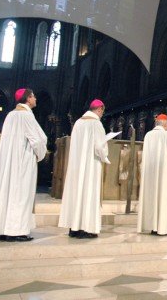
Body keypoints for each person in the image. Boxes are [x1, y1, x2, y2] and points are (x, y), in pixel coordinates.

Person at [0, 88, 47, 242]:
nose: (35, 99)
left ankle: (2, 228)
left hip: (8, 162)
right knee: (20, 194)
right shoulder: (26, 115)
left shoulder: (11, 115)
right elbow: (38, 140)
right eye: (33, 96)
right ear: (27, 98)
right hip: (22, 161)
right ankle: (16, 230)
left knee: (6, 192)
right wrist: (41, 154)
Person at [58, 99, 110, 239]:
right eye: (102, 111)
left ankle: (74, 228)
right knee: (88, 193)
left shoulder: (78, 123)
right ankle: (86, 228)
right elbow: (100, 147)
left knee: (76, 193)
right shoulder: (96, 124)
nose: (101, 114)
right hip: (90, 166)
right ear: (99, 109)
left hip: (76, 165)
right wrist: (105, 156)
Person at [137, 113, 167, 236]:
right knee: (163, 197)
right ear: (165, 124)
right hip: (164, 175)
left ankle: (153, 226)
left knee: (152, 198)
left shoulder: (148, 135)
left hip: (150, 175)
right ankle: (162, 228)